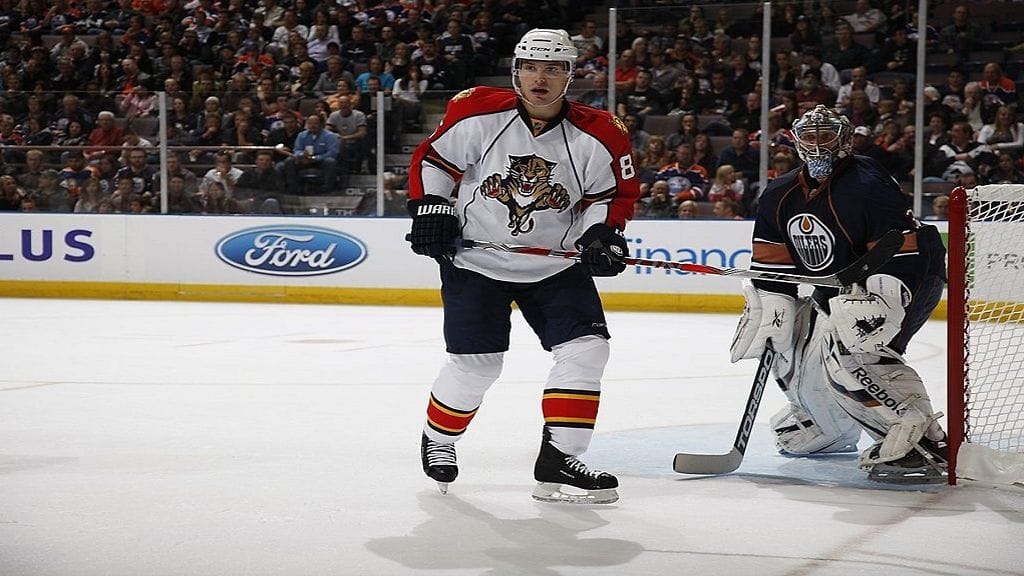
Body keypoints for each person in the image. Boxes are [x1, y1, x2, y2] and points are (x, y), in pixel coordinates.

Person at [406, 29, 640, 504]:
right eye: (531, 67)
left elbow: (610, 196)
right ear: (516, 72)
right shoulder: (476, 110)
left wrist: (600, 234)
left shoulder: (602, 133)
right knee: (477, 365)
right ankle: (440, 438)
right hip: (475, 261)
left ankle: (560, 457)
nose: (540, 78)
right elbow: (436, 162)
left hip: (555, 266)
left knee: (587, 349)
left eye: (552, 68)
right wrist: (432, 208)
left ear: (569, 76)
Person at [731, 105, 949, 483]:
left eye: (826, 136)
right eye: (810, 137)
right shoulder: (779, 193)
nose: (818, 145)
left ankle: (919, 438)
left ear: (845, 140)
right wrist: (773, 307)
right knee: (791, 339)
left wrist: (883, 298)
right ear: (796, 142)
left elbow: (900, 251)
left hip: (904, 275)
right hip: (836, 288)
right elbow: (772, 267)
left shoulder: (868, 182)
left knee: (853, 349)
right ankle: (827, 423)